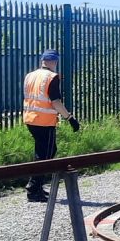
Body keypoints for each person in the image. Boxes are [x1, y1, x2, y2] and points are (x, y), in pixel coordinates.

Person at [23, 50, 73, 202]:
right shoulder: (52, 77)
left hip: (30, 118)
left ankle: (35, 187)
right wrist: (70, 118)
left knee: (41, 152)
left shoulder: (30, 75)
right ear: (55, 62)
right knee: (47, 154)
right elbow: (55, 102)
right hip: (44, 121)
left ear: (42, 60)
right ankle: (33, 188)